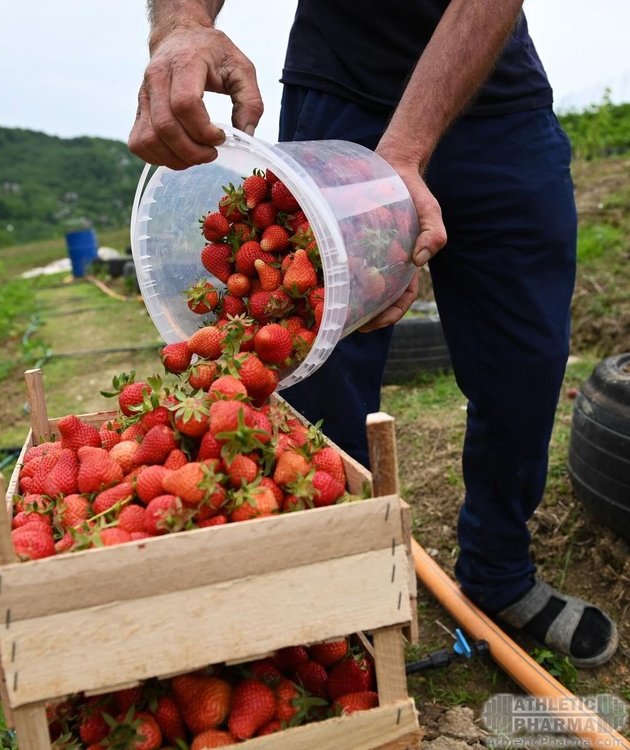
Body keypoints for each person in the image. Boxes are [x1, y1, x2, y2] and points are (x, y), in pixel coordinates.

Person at [128, 0, 618, 667]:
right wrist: (182, 25)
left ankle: (498, 571)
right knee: (317, 360)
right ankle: (346, 580)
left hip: (496, 99)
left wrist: (403, 156)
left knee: (525, 362)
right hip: (338, 97)